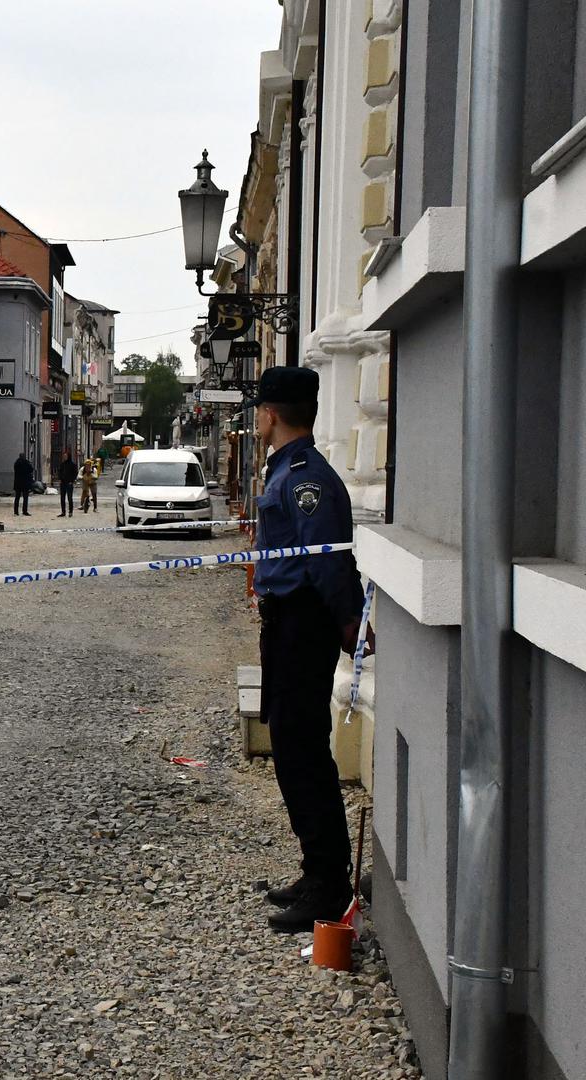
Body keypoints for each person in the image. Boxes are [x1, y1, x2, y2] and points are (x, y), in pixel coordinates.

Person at [248, 366, 369, 933]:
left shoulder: (304, 478)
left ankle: (328, 882)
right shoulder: (285, 470)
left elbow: (326, 560)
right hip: (286, 622)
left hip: (304, 623)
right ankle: (316, 867)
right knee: (292, 744)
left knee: (301, 751)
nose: (257, 418)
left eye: (259, 409)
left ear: (271, 412)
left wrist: (350, 621)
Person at [56, 450, 78, 517]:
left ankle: (70, 512)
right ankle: (63, 512)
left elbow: (75, 473)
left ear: (68, 456)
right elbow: (59, 472)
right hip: (63, 483)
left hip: (69, 483)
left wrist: (72, 481)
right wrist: (59, 478)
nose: (64, 457)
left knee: (69, 498)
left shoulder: (72, 464)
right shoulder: (62, 464)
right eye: (64, 456)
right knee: (62, 498)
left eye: (66, 456)